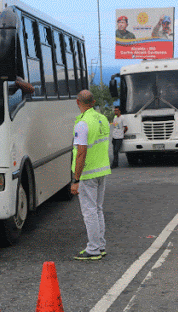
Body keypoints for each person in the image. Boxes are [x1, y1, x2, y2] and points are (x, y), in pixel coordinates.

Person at [70, 90, 111, 261]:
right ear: (93, 102)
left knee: (89, 212)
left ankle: (93, 248)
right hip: (102, 170)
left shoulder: (83, 123)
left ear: (78, 102)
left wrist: (76, 179)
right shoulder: (102, 119)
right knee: (98, 209)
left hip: (88, 173)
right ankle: (100, 245)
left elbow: (81, 153)